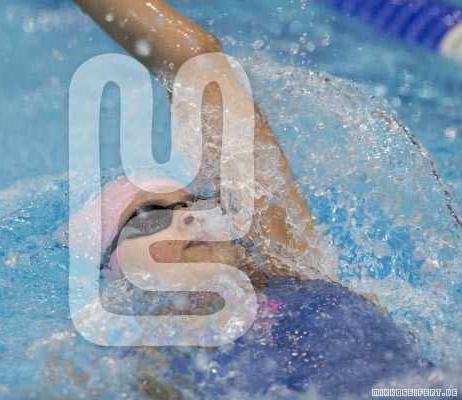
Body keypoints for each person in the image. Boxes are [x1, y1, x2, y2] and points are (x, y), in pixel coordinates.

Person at [65, 0, 427, 397]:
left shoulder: (287, 268)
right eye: (151, 215)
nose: (190, 216)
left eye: (198, 204)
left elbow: (196, 60)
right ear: (116, 270)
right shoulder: (145, 359)